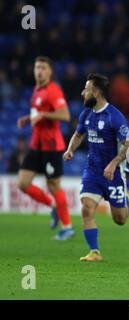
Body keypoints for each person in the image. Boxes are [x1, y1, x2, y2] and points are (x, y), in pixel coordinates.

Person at [63, 73, 129, 262]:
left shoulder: (114, 116)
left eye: (86, 89)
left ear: (96, 92)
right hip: (92, 171)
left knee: (120, 220)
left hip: (114, 174)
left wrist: (114, 162)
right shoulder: (86, 113)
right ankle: (95, 251)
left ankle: (126, 197)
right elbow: (78, 135)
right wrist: (70, 150)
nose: (82, 92)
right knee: (86, 208)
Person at [16, 56, 74, 240]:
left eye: (43, 68)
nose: (39, 71)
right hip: (36, 145)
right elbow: (39, 114)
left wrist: (43, 114)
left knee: (53, 185)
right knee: (23, 183)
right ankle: (53, 206)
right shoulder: (36, 90)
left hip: (51, 146)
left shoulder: (53, 90)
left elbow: (65, 115)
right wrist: (29, 118)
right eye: (36, 67)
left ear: (50, 71)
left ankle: (67, 227)